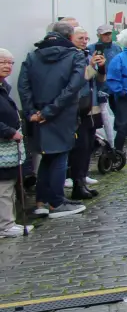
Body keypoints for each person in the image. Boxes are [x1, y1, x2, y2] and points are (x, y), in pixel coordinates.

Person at [18, 22, 90, 218]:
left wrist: (32, 112)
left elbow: (23, 86)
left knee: (47, 157)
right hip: (62, 113)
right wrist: (49, 111)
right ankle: (56, 203)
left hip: (39, 113)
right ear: (69, 37)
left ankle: (42, 201)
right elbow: (73, 86)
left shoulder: (33, 56)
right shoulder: (75, 55)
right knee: (59, 156)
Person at [68, 27, 103, 201]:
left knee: (89, 145)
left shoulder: (86, 55)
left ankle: (82, 180)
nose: (84, 41)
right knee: (80, 147)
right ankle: (77, 184)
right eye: (80, 37)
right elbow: (82, 78)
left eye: (86, 38)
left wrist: (101, 67)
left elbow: (98, 80)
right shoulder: (71, 56)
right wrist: (90, 67)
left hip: (91, 105)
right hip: (78, 107)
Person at [1, 48, 25, 238]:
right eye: (3, 62)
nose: (7, 66)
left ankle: (8, 222)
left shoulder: (4, 87)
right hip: (4, 142)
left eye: (10, 63)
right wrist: (9, 131)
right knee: (4, 186)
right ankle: (5, 225)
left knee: (8, 184)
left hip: (7, 144)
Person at [106, 28, 127, 159]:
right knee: (123, 127)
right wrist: (121, 91)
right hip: (125, 97)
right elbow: (113, 77)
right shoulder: (119, 58)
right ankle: (117, 154)